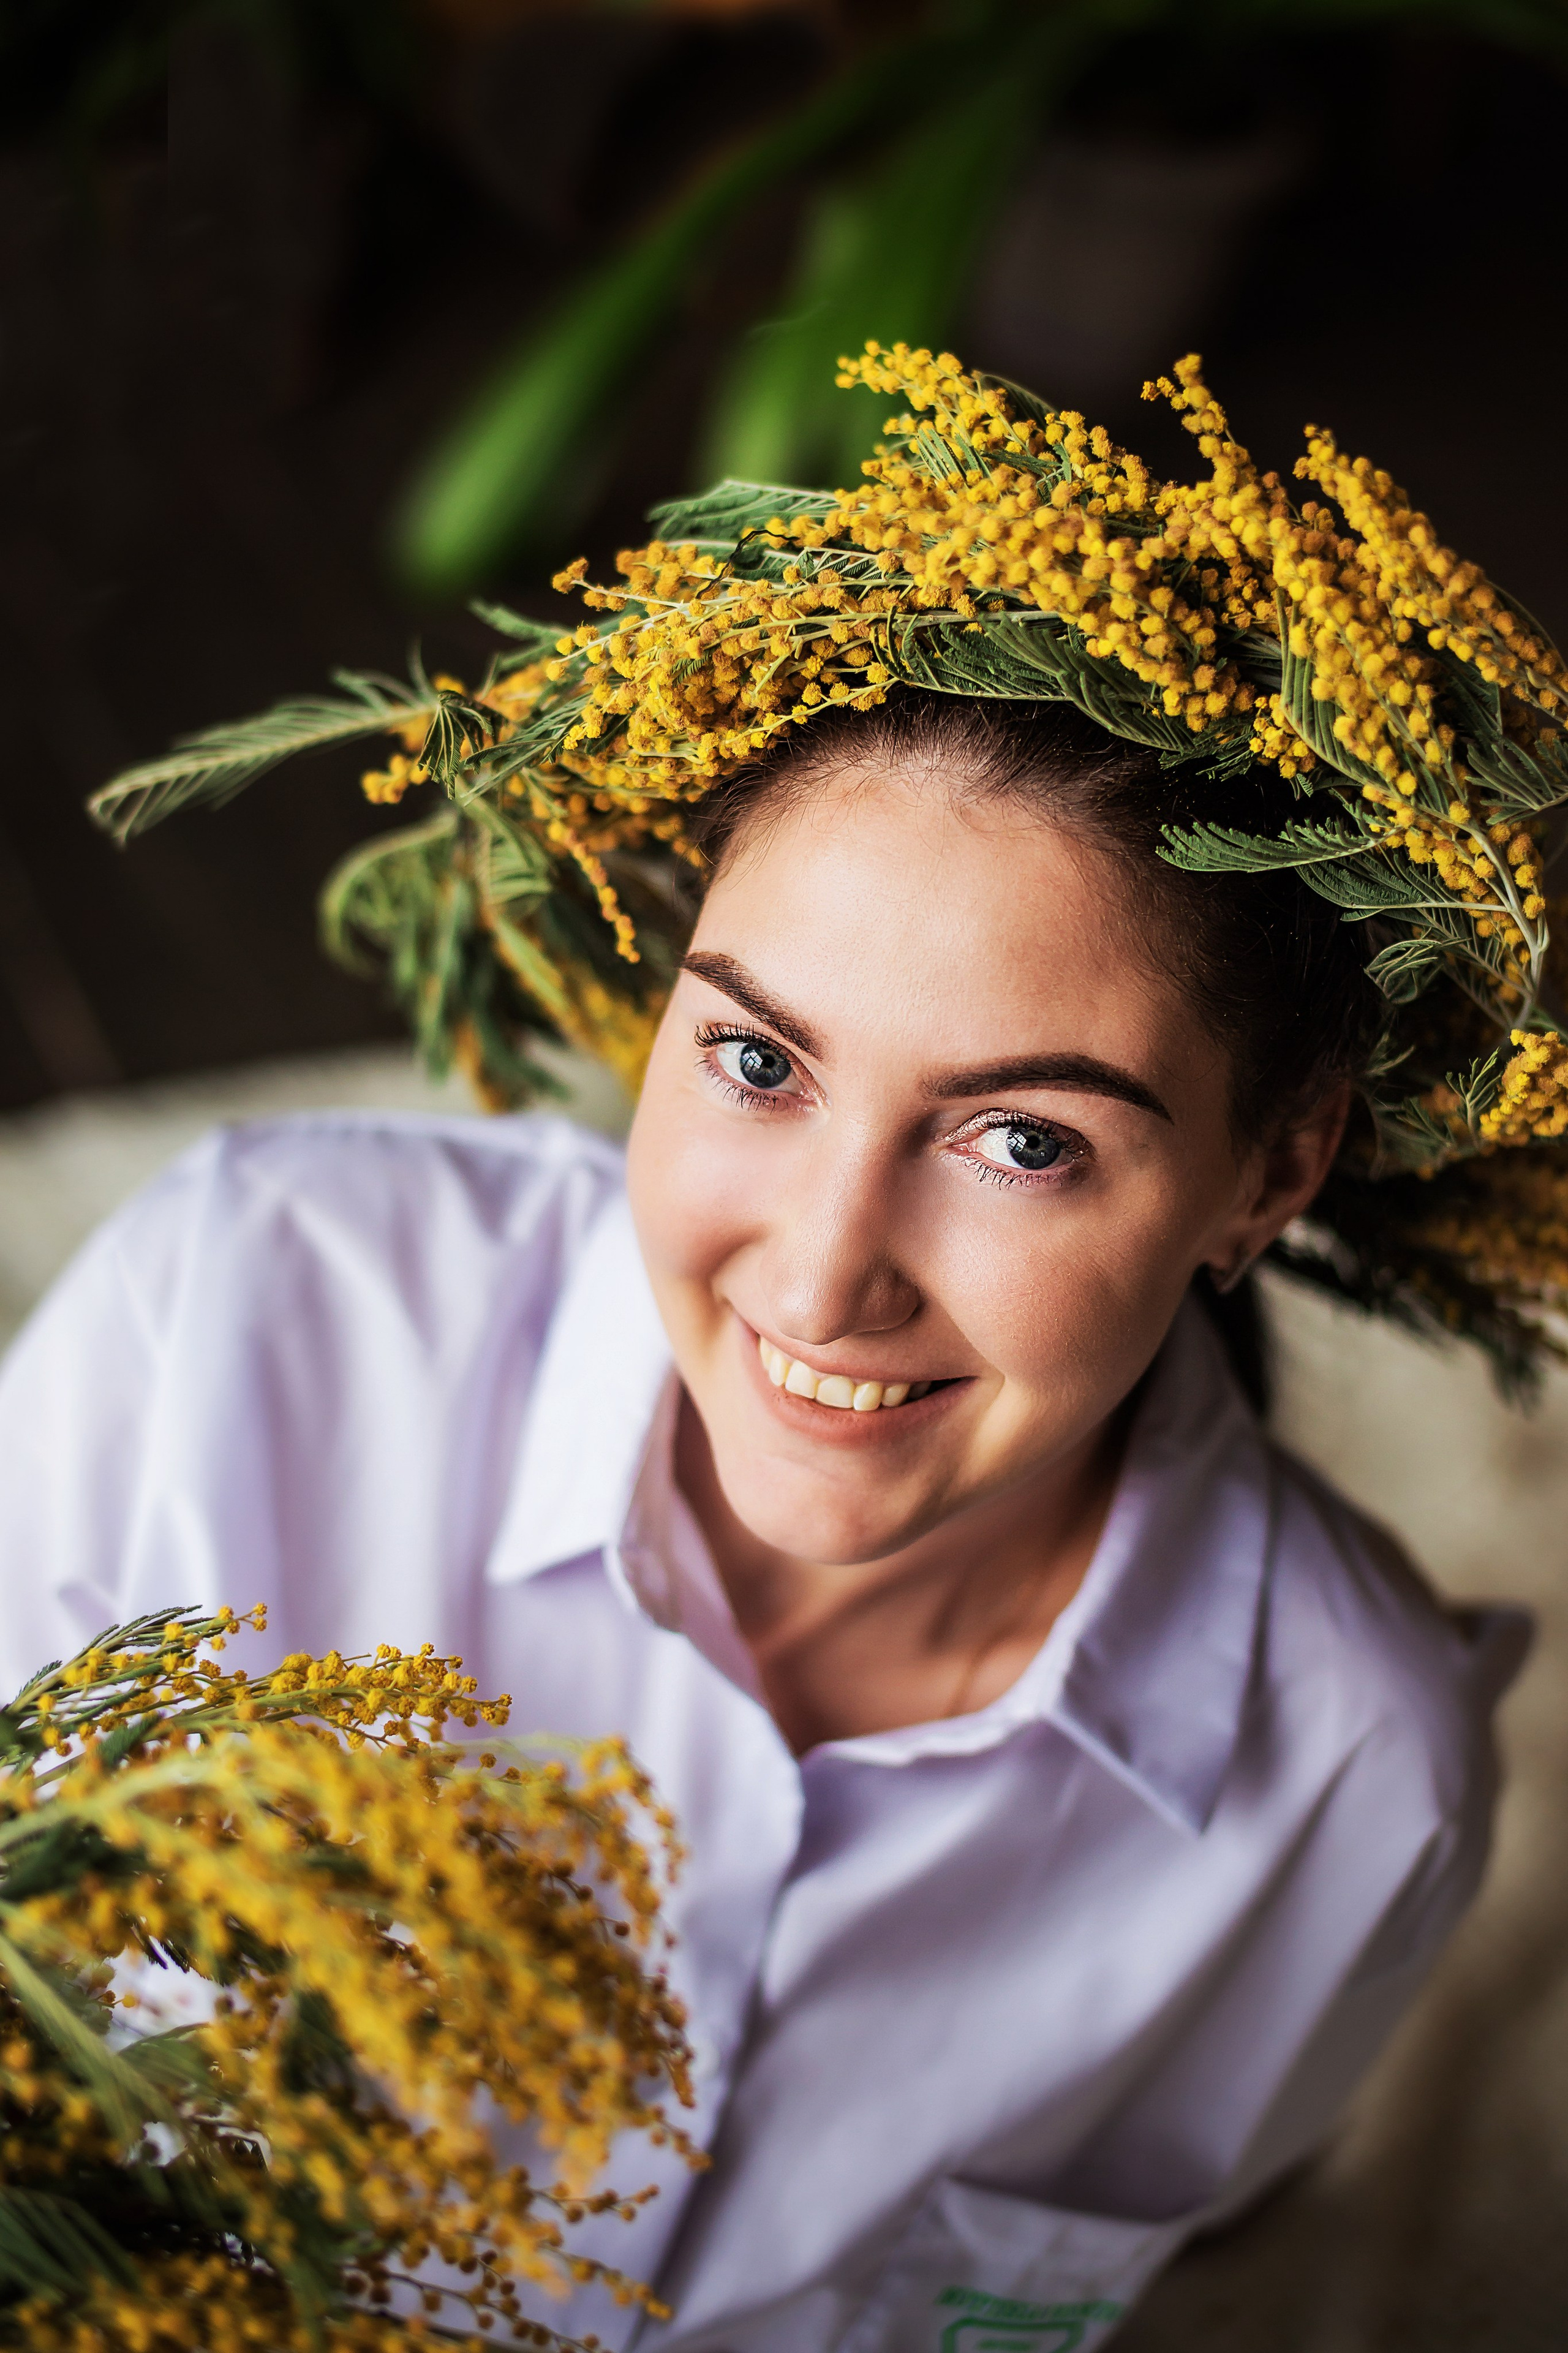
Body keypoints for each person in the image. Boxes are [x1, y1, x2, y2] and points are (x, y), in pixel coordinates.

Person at [0, 345, 1550, 2353]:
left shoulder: (1351, 1785)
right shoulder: (242, 1316)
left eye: (1022, 1141)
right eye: (757, 1058)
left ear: (1273, 1169)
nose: (822, 1279)